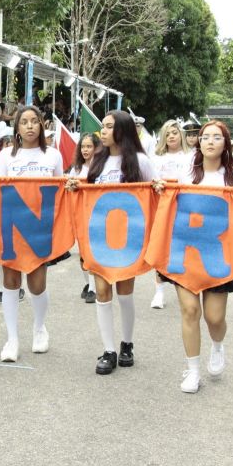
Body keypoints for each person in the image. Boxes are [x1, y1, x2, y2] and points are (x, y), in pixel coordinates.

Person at [152, 121, 233, 393]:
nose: (210, 141)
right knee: (190, 310)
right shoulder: (187, 171)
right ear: (199, 142)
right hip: (185, 251)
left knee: (214, 318)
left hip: (218, 255)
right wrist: (162, 189)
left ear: (225, 142)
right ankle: (192, 370)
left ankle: (218, 345)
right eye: (205, 137)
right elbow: (167, 201)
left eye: (216, 137)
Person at [68, 110, 155, 375]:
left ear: (123, 130)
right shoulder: (97, 161)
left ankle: (127, 343)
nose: (102, 132)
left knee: (125, 293)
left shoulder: (141, 161)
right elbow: (87, 194)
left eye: (107, 127)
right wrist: (75, 187)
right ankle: (108, 350)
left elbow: (153, 196)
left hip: (128, 239)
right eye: (102, 127)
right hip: (99, 238)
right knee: (102, 291)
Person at [0, 106, 63, 363]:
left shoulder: (53, 155)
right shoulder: (5, 156)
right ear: (16, 127)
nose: (29, 126)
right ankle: (12, 338)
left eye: (34, 121)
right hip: (11, 225)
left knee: (37, 284)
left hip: (39, 227)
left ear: (41, 125)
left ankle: (39, 328)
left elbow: (59, 192)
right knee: (11, 282)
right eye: (24, 122)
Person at [149, 119, 192, 309]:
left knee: (184, 248)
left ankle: (186, 284)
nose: (172, 136)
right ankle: (159, 292)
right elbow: (151, 180)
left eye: (175, 132)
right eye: (168, 133)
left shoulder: (192, 156)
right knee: (161, 248)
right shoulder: (156, 157)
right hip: (163, 207)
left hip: (186, 207)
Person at [67, 132, 101, 304]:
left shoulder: (102, 168)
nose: (85, 150)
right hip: (79, 213)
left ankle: (95, 288)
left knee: (92, 251)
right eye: (83, 146)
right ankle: (88, 284)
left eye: (89, 146)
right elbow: (70, 190)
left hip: (96, 214)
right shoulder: (77, 169)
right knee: (82, 251)